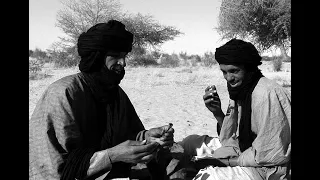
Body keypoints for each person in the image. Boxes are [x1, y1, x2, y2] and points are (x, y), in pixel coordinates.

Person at [29, 20, 174, 180]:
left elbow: (128, 136)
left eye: (124, 56)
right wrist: (112, 156)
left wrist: (147, 137)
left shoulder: (115, 92)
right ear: (98, 58)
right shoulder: (63, 94)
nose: (123, 63)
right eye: (116, 56)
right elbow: (54, 169)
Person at [179, 39, 291, 180]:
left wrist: (221, 163)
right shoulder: (241, 89)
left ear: (249, 68)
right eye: (224, 72)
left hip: (268, 168)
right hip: (242, 149)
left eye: (234, 71)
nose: (229, 78)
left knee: (208, 176)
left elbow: (269, 154)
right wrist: (217, 112)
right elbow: (234, 134)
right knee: (189, 142)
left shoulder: (266, 94)